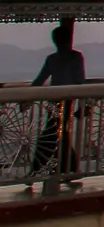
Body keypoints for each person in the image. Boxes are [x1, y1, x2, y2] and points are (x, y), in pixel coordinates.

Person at [29, 23, 85, 192]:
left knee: (52, 135)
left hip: (64, 102)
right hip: (59, 102)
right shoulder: (63, 58)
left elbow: (40, 80)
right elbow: (80, 81)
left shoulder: (69, 58)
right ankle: (69, 169)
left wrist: (26, 96)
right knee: (59, 135)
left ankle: (39, 170)